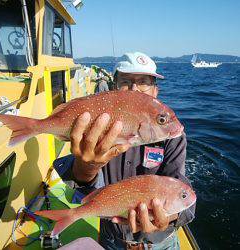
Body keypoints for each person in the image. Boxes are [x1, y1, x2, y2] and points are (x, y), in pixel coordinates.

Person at [54, 52, 196, 250]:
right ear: (114, 89)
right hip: (112, 239)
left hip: (160, 244)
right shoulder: (99, 127)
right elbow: (86, 189)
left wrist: (170, 216)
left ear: (155, 91)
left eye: (144, 82)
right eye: (126, 81)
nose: (134, 89)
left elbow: (179, 188)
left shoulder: (171, 136)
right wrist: (87, 166)